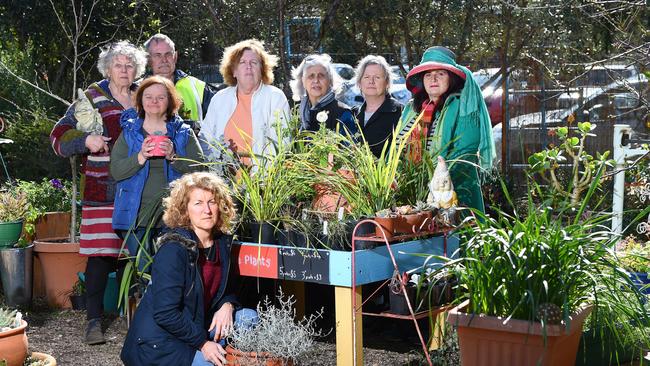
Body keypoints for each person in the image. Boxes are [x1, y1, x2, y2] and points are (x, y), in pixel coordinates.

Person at [50, 40, 147, 345]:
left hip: (141, 188)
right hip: (103, 190)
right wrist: (86, 141)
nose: (124, 70)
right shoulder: (92, 98)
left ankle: (139, 320)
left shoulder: (145, 94)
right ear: (107, 68)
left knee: (138, 255)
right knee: (101, 256)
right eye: (118, 64)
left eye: (130, 65)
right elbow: (58, 136)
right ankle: (93, 321)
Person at [121, 172, 257, 366]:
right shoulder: (173, 250)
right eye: (198, 203)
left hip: (196, 323)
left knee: (248, 319)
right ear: (184, 210)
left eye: (212, 202)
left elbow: (225, 290)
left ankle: (219, 353)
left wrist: (228, 305)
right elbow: (165, 314)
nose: (207, 210)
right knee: (212, 363)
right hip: (161, 341)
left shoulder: (221, 244)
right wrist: (203, 343)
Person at [110, 75, 204, 270]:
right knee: (144, 272)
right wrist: (140, 156)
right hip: (136, 217)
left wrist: (174, 157)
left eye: (161, 97)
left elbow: (201, 170)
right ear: (141, 101)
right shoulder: (129, 132)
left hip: (173, 216)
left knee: (171, 271)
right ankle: (147, 300)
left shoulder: (183, 132)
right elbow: (116, 171)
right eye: (148, 96)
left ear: (170, 101)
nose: (154, 101)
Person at [396, 46, 495, 212]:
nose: (433, 79)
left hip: (454, 195)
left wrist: (434, 183)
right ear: (422, 80)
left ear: (451, 78)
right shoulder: (411, 110)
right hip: (411, 197)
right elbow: (397, 149)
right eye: (428, 74)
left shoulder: (462, 106)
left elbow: (465, 151)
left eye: (440, 74)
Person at [200, 39, 290, 162]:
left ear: (262, 69)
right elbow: (205, 138)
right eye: (242, 62)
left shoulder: (275, 97)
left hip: (262, 179)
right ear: (234, 71)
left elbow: (282, 144)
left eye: (254, 62)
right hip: (222, 178)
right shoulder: (219, 99)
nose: (248, 67)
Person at [144, 33, 218, 123]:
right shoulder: (137, 90)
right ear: (148, 60)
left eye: (168, 54)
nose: (164, 60)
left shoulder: (198, 87)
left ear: (175, 56)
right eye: (158, 55)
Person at [290, 54, 356, 136]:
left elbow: (349, 147)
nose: (316, 80)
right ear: (303, 81)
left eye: (321, 76)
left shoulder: (343, 114)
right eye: (311, 76)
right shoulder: (299, 114)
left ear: (330, 80)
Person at [352, 55, 403, 157]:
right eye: (366, 77)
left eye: (377, 77)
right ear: (359, 83)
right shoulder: (352, 114)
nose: (371, 81)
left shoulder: (400, 113)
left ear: (387, 83)